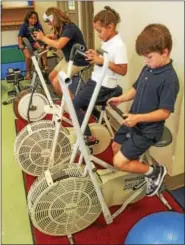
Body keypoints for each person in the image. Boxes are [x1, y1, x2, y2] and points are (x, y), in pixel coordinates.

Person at [108, 23, 179, 197]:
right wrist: (121, 98)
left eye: (149, 57)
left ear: (165, 52)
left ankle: (154, 172)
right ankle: (134, 174)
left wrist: (138, 118)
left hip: (148, 130)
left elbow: (164, 112)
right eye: (144, 58)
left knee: (118, 162)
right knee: (116, 146)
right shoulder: (148, 67)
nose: (146, 62)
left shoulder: (170, 79)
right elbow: (136, 89)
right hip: (133, 120)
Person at [73, 6, 128, 145]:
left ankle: (89, 138)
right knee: (80, 104)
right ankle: (98, 121)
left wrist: (103, 61)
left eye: (99, 31)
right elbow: (105, 59)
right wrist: (95, 56)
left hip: (104, 86)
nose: (98, 35)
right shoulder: (107, 41)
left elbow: (123, 70)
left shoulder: (119, 45)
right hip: (96, 80)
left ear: (110, 27)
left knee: (75, 105)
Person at [34, 7, 89, 97]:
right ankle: (65, 101)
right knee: (51, 76)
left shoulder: (70, 28)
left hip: (79, 61)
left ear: (54, 19)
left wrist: (43, 38)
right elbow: (59, 37)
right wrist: (50, 38)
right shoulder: (61, 28)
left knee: (57, 82)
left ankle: (73, 106)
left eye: (49, 22)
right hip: (69, 58)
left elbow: (59, 45)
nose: (48, 24)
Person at [18, 10, 48, 80]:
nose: (34, 20)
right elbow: (20, 37)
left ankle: (45, 66)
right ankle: (28, 72)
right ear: (27, 18)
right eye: (31, 18)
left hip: (34, 42)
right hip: (25, 42)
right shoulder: (24, 25)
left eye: (35, 18)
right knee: (28, 57)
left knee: (43, 48)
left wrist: (44, 43)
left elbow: (42, 35)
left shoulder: (38, 25)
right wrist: (20, 44)